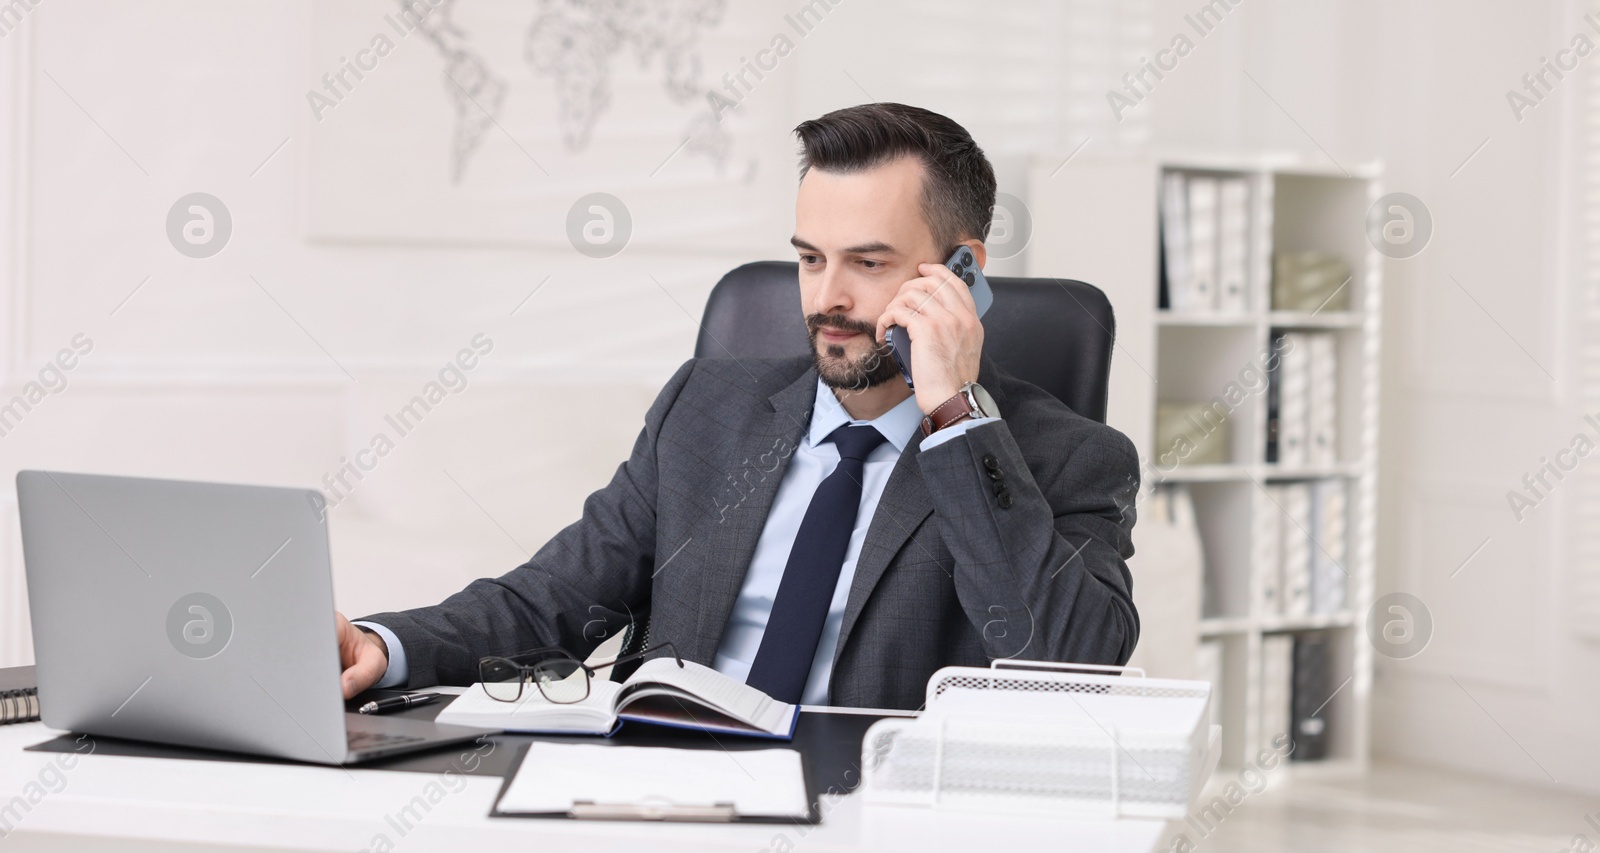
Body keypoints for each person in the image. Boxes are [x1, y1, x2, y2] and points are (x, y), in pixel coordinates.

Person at [335, 102, 1141, 710]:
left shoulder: (1064, 456)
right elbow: (551, 599)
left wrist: (957, 419)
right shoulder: (704, 411)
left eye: (867, 261)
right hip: (665, 796)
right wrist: (384, 645)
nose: (827, 298)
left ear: (959, 273)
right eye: (809, 258)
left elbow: (1065, 665)